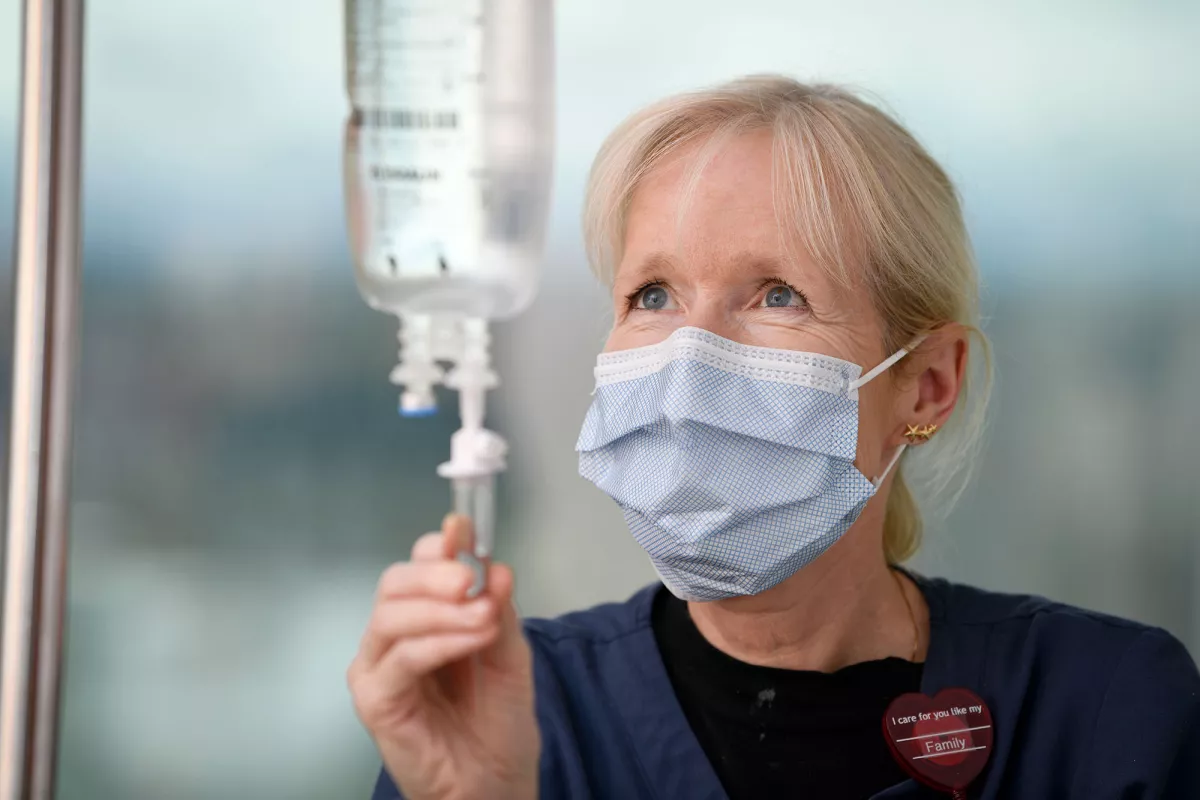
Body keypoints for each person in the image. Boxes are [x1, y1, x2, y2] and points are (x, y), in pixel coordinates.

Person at [347, 76, 1200, 799]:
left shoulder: (1103, 712)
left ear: (927, 382)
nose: (690, 362)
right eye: (652, 296)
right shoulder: (512, 712)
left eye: (777, 294)